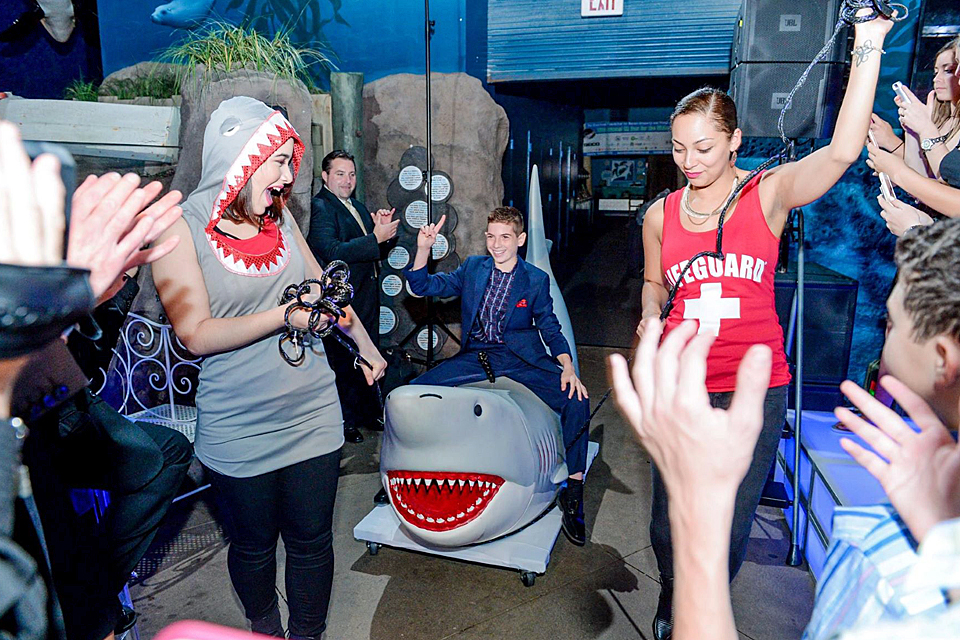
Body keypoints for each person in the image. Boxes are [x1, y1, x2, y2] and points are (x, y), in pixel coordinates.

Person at [634, 12, 893, 639]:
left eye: (702, 147)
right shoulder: (660, 216)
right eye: (678, 147)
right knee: (668, 525)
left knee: (727, 523)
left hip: (757, 391)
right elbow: (652, 284)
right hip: (683, 390)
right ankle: (674, 596)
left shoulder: (767, 194)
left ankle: (701, 617)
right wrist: (648, 317)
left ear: (734, 140)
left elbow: (841, 151)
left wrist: (869, 43)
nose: (689, 160)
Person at [611, 217, 960, 640]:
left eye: (889, 323)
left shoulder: (891, 589)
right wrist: (939, 526)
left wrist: (698, 521)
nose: (884, 336)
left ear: (944, 356)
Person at [151, 97, 386, 639]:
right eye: (278, 162)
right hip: (237, 423)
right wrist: (284, 315)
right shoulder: (178, 229)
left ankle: (308, 634)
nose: (287, 177)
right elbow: (196, 333)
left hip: (312, 411)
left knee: (312, 542)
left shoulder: (277, 218)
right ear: (240, 157)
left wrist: (367, 349)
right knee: (253, 548)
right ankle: (265, 627)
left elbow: (327, 293)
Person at [0, 119, 187, 640]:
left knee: (158, 458)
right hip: (43, 413)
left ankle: (95, 594)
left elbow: (73, 365)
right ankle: (94, 597)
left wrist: (84, 295)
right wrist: (43, 309)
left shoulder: (101, 283)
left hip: (49, 409)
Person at [405, 206, 590, 545]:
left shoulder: (535, 279)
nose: (496, 244)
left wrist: (567, 365)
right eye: (491, 236)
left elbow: (549, 325)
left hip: (520, 357)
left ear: (519, 239)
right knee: (413, 392)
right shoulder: (474, 268)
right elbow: (422, 285)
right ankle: (407, 479)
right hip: (476, 355)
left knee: (576, 397)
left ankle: (574, 489)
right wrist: (423, 250)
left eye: (505, 237)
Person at [307, 150, 398, 444]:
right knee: (344, 361)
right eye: (340, 174)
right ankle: (345, 421)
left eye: (351, 174)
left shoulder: (356, 206)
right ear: (325, 176)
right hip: (342, 300)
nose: (347, 180)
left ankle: (367, 412)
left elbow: (374, 252)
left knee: (367, 355)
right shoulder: (321, 206)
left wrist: (381, 235)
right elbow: (331, 251)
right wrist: (375, 238)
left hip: (366, 295)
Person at [868, 37, 960, 234]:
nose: (937, 79)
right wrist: (908, 133)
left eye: (949, 70)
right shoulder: (937, 115)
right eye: (936, 72)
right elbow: (923, 176)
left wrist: (898, 171)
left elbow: (944, 179)